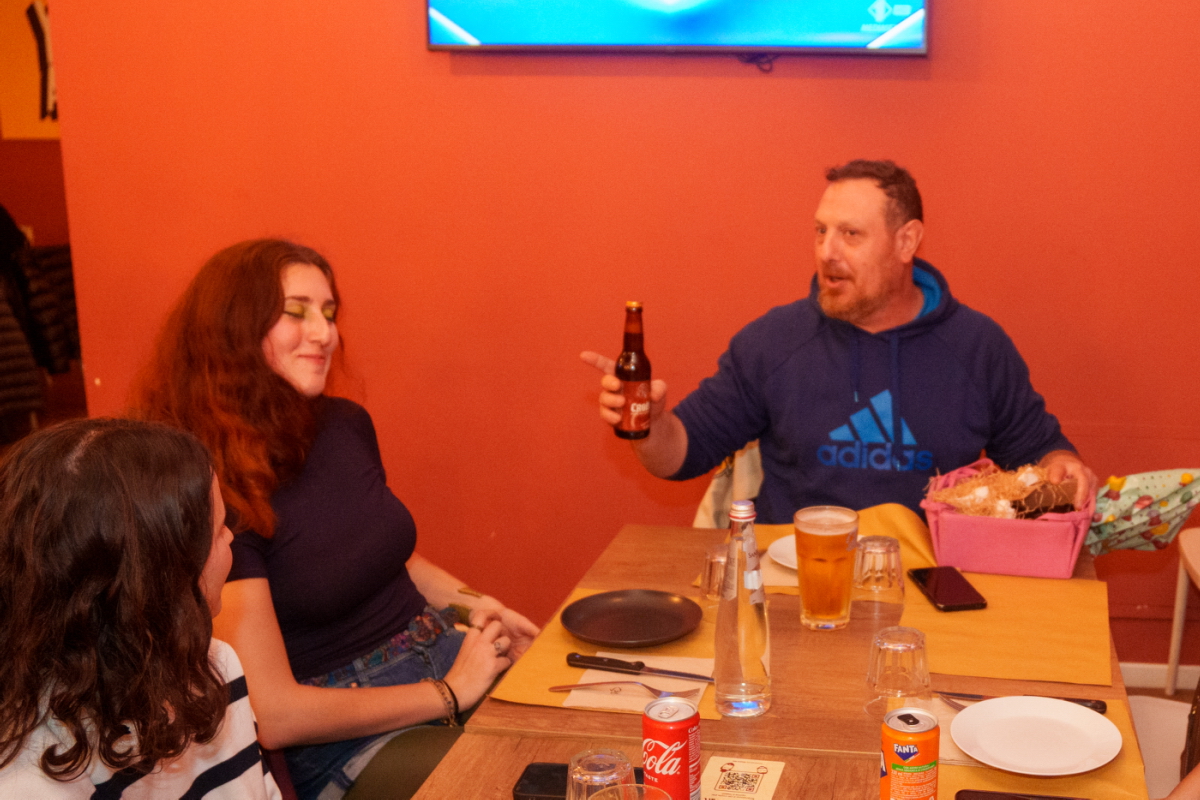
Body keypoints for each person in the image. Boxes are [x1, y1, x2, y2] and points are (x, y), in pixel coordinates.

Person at [131, 239, 539, 800]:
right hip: (350, 738)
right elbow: (275, 714)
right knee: (514, 780)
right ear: (233, 328)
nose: (324, 333)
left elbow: (379, 553)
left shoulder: (345, 423)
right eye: (296, 312)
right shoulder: (213, 482)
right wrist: (447, 693)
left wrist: (480, 606)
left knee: (587, 745)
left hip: (442, 653)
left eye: (328, 312)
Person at [583, 159, 1097, 524]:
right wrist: (648, 426)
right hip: (794, 580)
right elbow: (681, 455)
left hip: (934, 583)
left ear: (906, 242)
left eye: (850, 235)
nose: (827, 252)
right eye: (820, 231)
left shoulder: (977, 346)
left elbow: (1039, 453)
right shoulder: (774, 341)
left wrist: (1063, 467)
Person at [0, 418, 279, 799]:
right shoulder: (30, 779)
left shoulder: (216, 667)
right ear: (156, 580)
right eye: (216, 532)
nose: (231, 536)